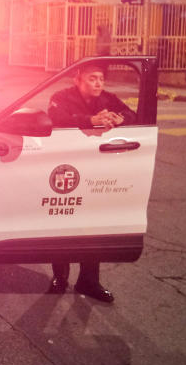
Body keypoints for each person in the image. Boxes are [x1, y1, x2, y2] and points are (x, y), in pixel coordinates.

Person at [46, 61, 137, 303]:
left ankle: (88, 281)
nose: (98, 83)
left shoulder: (108, 98)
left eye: (100, 79)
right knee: (63, 219)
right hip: (67, 163)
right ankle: (60, 277)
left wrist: (118, 119)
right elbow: (57, 118)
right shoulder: (61, 97)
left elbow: (132, 114)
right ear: (78, 80)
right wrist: (90, 120)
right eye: (92, 79)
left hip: (96, 165)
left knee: (92, 223)